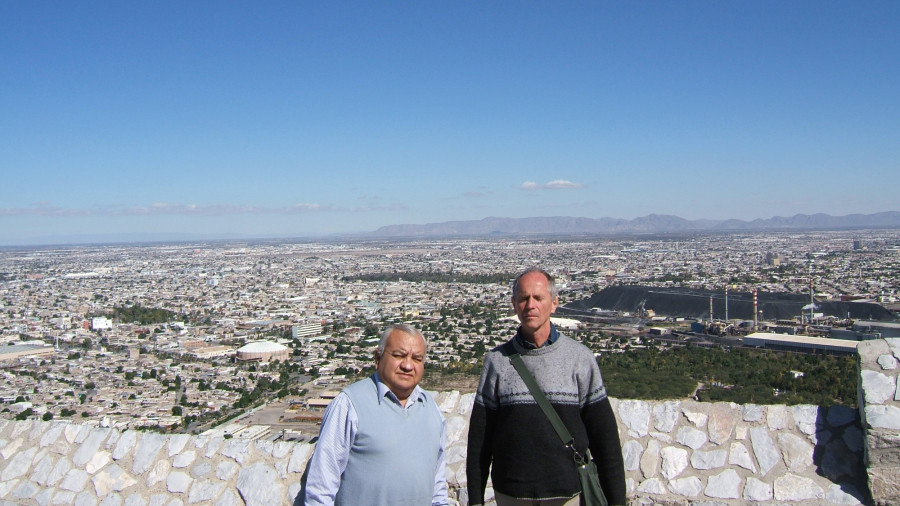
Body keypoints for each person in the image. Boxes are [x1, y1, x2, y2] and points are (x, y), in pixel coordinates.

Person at [466, 267, 626, 505]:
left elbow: (605, 440)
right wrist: (476, 500)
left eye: (538, 298)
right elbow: (480, 442)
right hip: (511, 495)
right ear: (514, 304)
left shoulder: (580, 359)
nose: (531, 305)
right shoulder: (496, 362)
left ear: (553, 303)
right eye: (523, 298)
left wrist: (617, 500)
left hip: (568, 495)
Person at [303, 323, 448, 506]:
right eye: (398, 355)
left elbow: (438, 487)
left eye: (417, 358)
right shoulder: (349, 405)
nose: (408, 365)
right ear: (378, 358)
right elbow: (321, 486)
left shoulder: (430, 408)